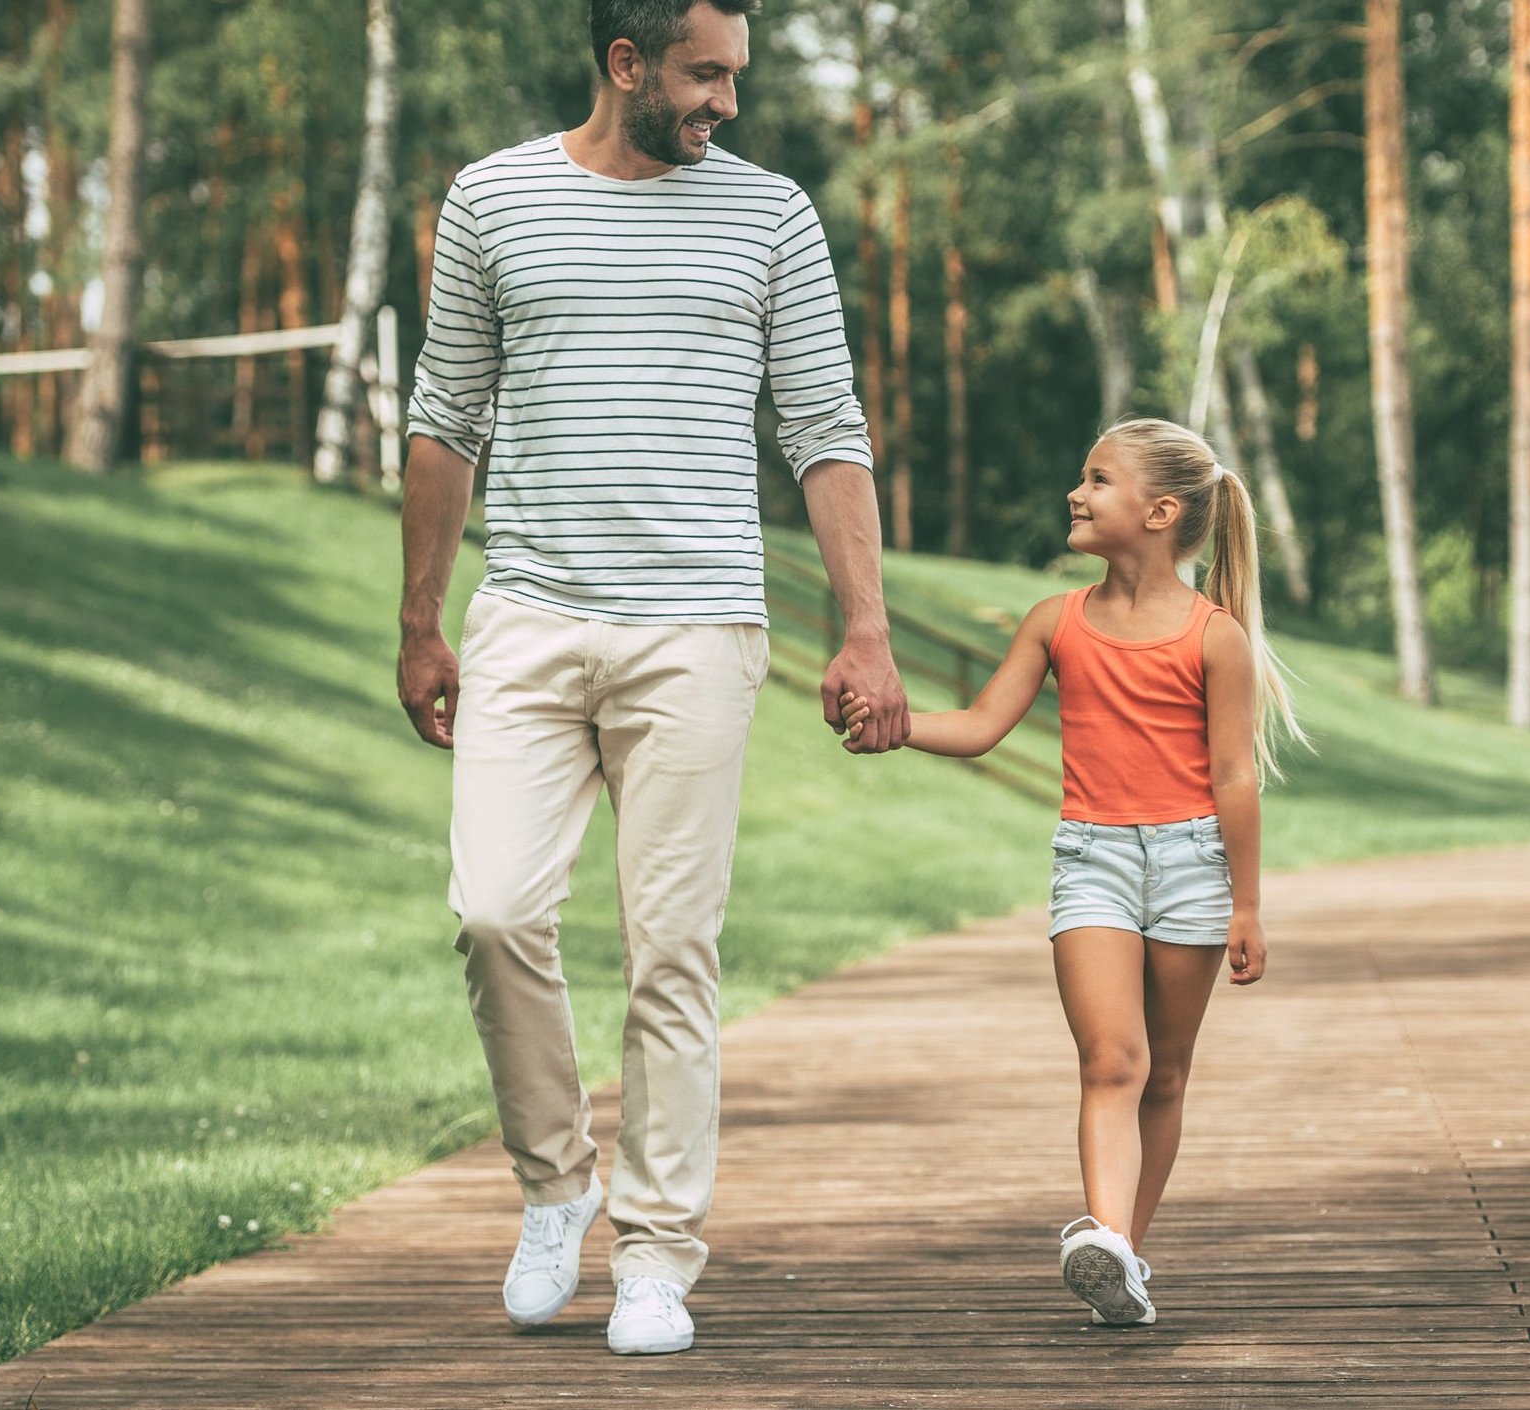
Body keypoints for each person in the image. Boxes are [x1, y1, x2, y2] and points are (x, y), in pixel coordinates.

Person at [394, 0, 907, 1358]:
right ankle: (558, 1184)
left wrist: (866, 626)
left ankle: (656, 1253)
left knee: (670, 950)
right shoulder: (494, 198)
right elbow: (446, 415)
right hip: (528, 618)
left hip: (696, 632)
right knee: (494, 910)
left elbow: (822, 425)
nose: (725, 101)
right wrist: (419, 620)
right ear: (624, 64)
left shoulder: (771, 219)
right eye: (702, 74)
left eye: (734, 74)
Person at [843, 417, 1305, 1327]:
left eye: (1097, 481)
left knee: (1165, 1073)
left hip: (1191, 865)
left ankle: (1123, 1261)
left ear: (1161, 512)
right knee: (1111, 1060)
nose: (1076, 493)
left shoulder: (1214, 639)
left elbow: (1233, 778)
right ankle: (1107, 1240)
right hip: (1091, 858)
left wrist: (1246, 906)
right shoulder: (1056, 622)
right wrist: (892, 725)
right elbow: (979, 726)